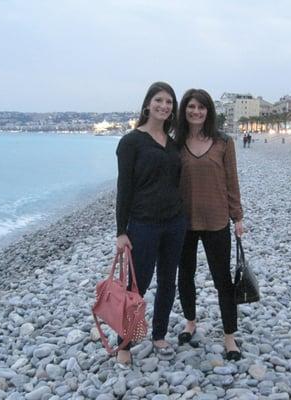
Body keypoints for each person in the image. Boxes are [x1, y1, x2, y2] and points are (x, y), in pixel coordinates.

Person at [114, 82, 186, 365]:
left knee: (169, 280)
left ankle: (159, 334)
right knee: (137, 287)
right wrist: (121, 231)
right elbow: (124, 189)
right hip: (143, 224)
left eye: (169, 102)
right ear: (147, 104)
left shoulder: (173, 143)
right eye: (159, 100)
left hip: (174, 222)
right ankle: (124, 345)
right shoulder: (131, 142)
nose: (164, 106)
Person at [175, 89, 244, 361]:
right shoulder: (176, 143)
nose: (196, 111)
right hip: (183, 222)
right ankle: (190, 322)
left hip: (216, 221)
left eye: (201, 107)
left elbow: (231, 180)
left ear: (208, 111)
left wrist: (237, 216)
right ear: (184, 110)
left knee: (222, 281)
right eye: (191, 107)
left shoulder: (223, 142)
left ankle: (229, 336)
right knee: (185, 276)